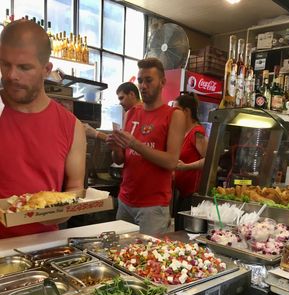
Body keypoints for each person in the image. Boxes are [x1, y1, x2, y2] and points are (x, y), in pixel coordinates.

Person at [0, 19, 86, 239]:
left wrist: (57, 213)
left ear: (46, 70)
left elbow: (75, 187)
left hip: (43, 247)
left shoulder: (71, 126)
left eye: (24, 67)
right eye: (5, 64)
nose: (11, 75)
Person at [107, 57, 186, 235]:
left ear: (162, 82)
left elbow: (172, 161)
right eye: (141, 80)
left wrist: (134, 144)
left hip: (153, 207)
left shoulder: (174, 115)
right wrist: (115, 148)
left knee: (148, 261)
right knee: (119, 257)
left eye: (149, 80)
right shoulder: (131, 113)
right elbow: (120, 160)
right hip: (125, 201)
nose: (143, 86)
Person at [173, 93, 208, 231]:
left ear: (186, 111)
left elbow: (209, 160)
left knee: (186, 232)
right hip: (182, 193)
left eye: (177, 110)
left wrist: (186, 167)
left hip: (192, 196)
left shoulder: (196, 132)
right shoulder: (184, 132)